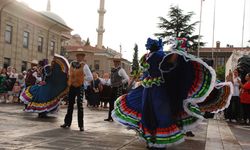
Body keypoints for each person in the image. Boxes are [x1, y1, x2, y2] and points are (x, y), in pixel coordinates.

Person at [111, 38, 233, 149]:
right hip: (157, 90)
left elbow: (155, 69)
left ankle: (151, 140)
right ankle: (157, 142)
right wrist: (178, 51)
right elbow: (167, 65)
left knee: (149, 113)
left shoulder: (146, 56)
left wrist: (177, 52)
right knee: (160, 114)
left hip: (147, 89)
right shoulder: (159, 54)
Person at [61, 53, 93, 131]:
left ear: (83, 57)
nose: (79, 57)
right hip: (72, 86)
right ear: (76, 56)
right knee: (70, 104)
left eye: (81, 56)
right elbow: (69, 73)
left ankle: (81, 125)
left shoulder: (84, 66)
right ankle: (67, 122)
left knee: (80, 105)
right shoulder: (72, 64)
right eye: (78, 56)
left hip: (79, 87)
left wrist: (82, 78)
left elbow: (90, 77)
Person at [104, 56, 129, 122]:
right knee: (111, 103)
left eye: (117, 61)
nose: (115, 63)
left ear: (119, 62)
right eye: (114, 61)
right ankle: (110, 117)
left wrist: (120, 83)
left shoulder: (121, 70)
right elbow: (112, 79)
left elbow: (127, 78)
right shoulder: (113, 70)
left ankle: (120, 118)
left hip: (118, 88)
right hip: (113, 88)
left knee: (118, 103)